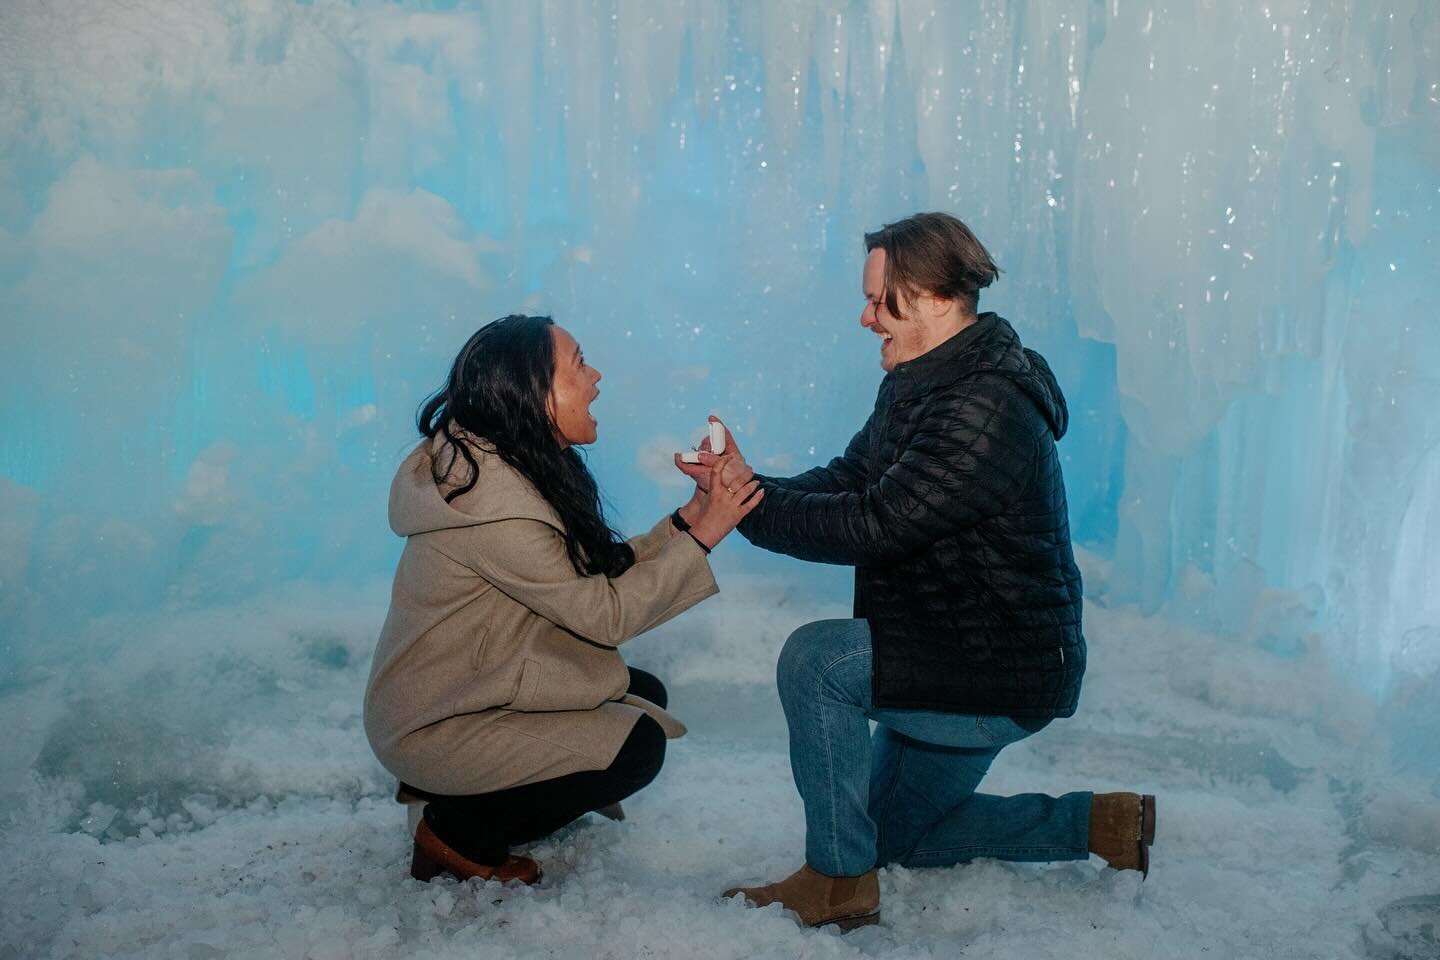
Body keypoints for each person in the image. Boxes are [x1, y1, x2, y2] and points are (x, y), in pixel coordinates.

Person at [677, 213, 1156, 930]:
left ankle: (837, 887)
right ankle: (1100, 826)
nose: (866, 317)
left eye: (880, 300)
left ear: (934, 296)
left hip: (995, 670)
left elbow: (877, 522)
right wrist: (745, 487)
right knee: (888, 837)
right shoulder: (922, 381)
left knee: (817, 660)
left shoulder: (986, 404)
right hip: (948, 649)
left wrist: (742, 511)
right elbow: (850, 477)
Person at [364, 314, 762, 885]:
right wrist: (706, 535)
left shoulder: (503, 463)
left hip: (472, 687)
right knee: (637, 748)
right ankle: (459, 829)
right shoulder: (490, 507)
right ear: (533, 392)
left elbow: (595, 573)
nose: (595, 376)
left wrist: (693, 515)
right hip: (437, 722)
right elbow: (606, 615)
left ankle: (472, 789)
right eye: (578, 363)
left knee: (641, 690)